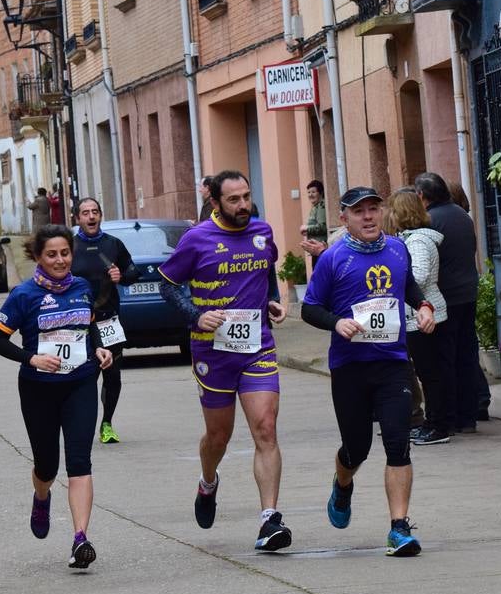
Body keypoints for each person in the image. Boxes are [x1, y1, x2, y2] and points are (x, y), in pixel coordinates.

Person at [159, 171, 291, 553]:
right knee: (219, 436)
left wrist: (272, 299)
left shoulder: (262, 232)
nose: (243, 205)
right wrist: (196, 315)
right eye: (233, 199)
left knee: (265, 428)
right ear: (215, 203)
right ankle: (208, 480)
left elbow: (265, 271)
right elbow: (169, 284)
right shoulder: (197, 239)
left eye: (246, 196)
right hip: (211, 351)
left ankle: (269, 520)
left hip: (257, 345)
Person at [300, 187, 436, 557]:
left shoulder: (397, 248)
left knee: (398, 442)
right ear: (344, 218)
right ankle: (342, 484)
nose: (369, 217)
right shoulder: (333, 258)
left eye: (374, 209)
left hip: (393, 363)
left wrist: (423, 306)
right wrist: (337, 323)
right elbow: (310, 308)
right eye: (359, 212)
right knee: (357, 447)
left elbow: (409, 287)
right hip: (350, 367)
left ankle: (399, 528)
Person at [0, 224, 114, 569]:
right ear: (38, 257)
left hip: (80, 382)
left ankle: (80, 539)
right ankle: (42, 496)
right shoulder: (24, 295)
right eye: (52, 254)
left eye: (65, 253)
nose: (60, 260)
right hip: (38, 388)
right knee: (47, 465)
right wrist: (31, 358)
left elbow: (87, 328)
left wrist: (100, 349)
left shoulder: (82, 287)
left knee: (80, 461)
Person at [383, 190, 452, 446]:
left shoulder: (418, 241)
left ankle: (438, 425)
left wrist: (392, 280)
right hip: (416, 315)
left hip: (425, 315)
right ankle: (433, 422)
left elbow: (419, 277)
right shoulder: (409, 239)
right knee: (427, 371)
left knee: (430, 373)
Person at [413, 172, 480, 436]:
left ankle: (448, 417)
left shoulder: (431, 221)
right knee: (466, 355)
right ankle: (468, 416)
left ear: (421, 196)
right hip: (467, 293)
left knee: (444, 360)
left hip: (445, 299)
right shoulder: (461, 215)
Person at [71, 197, 139, 444]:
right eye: (85, 213)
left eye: (95, 212)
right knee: (82, 377)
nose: (91, 216)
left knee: (112, 376)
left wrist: (122, 275)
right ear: (77, 218)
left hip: (108, 321)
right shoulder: (70, 247)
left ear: (100, 216)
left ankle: (107, 423)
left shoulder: (113, 244)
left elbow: (134, 273)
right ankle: (79, 425)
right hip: (77, 322)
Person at [449, 180, 492, 421]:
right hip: (468, 288)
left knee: (461, 351)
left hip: (455, 294)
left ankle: (476, 399)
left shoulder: (447, 221)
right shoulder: (465, 219)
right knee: (468, 347)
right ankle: (480, 397)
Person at [300, 180, 328, 265]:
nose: (310, 195)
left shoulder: (321, 206)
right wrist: (307, 231)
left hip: (321, 250)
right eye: (308, 192)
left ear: (320, 193)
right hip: (316, 251)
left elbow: (323, 227)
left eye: (313, 192)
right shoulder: (315, 207)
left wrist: (307, 228)